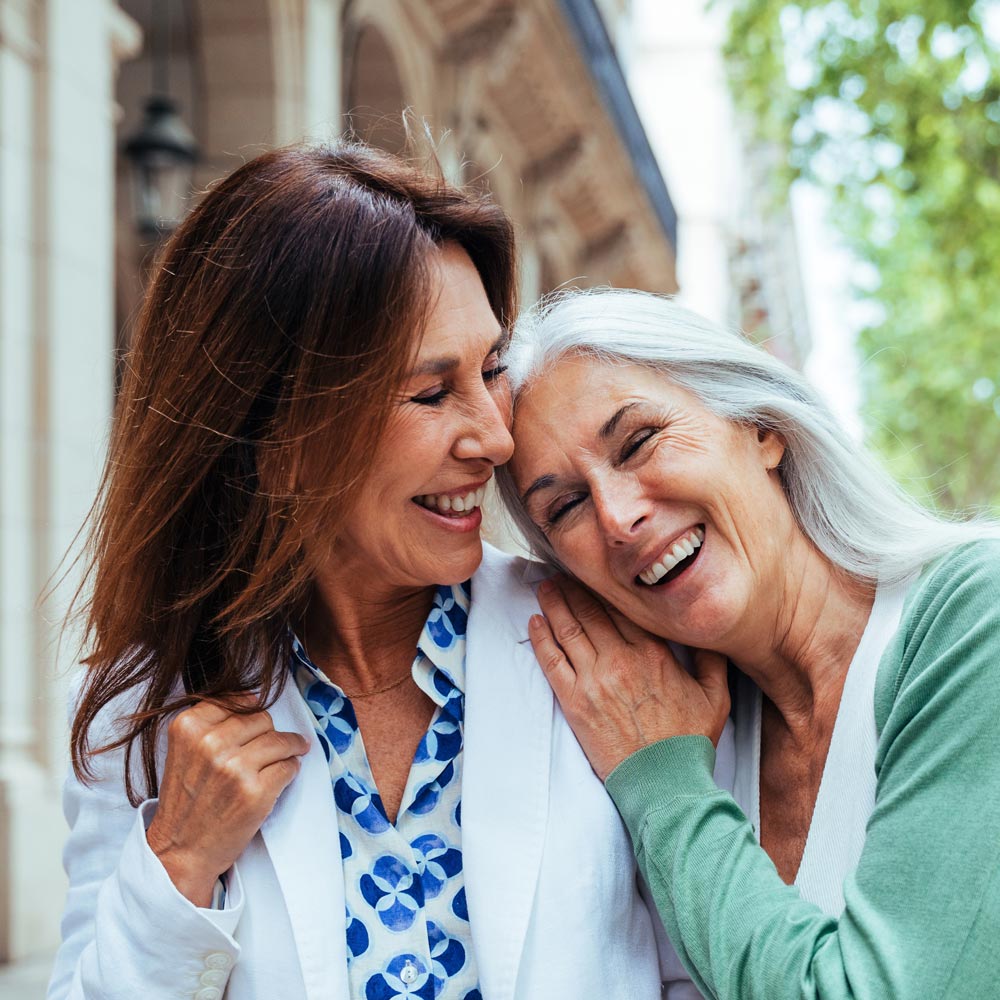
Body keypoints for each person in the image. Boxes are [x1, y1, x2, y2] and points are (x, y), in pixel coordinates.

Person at [47, 145, 676, 1000]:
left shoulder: (600, 646)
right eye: (429, 393)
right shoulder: (147, 711)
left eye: (492, 370)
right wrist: (179, 863)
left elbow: (696, 971)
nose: (494, 438)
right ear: (272, 433)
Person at [497, 287, 1000, 1000]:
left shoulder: (976, 615)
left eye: (638, 441)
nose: (617, 517)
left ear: (760, 425)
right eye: (565, 506)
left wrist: (662, 785)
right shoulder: (691, 729)